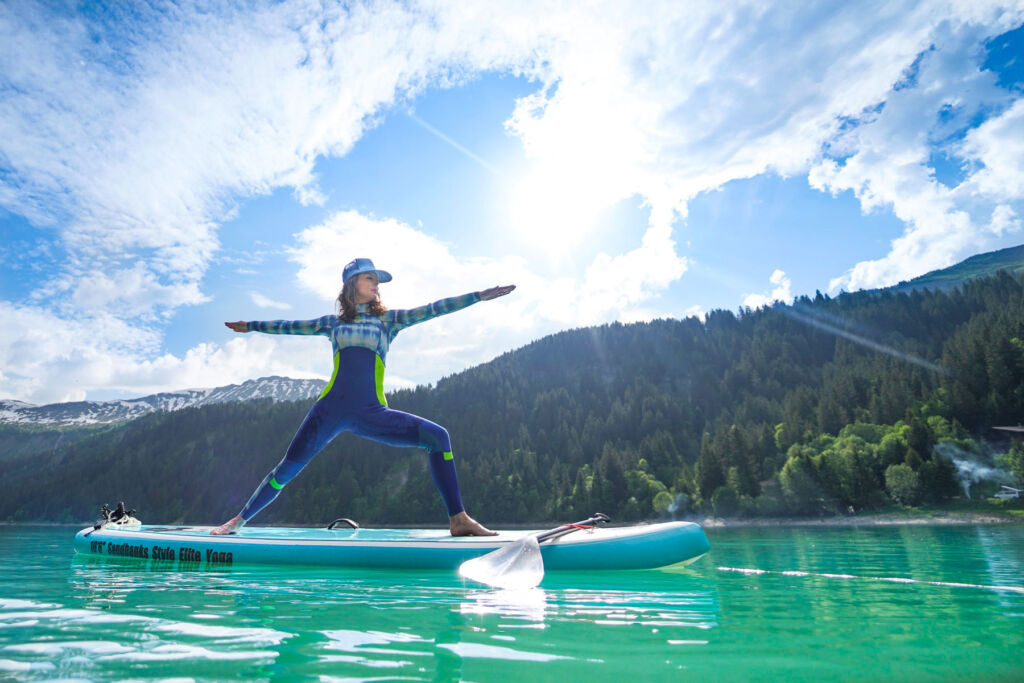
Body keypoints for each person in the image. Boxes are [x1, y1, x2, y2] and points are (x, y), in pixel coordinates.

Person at [211, 258, 515, 536]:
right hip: (328, 411)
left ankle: (458, 519)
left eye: (377, 280)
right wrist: (251, 326)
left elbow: (435, 308)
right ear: (351, 283)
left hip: (371, 413)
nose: (376, 284)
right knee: (285, 471)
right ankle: (238, 520)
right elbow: (288, 326)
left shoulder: (390, 321)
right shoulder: (332, 324)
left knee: (438, 437)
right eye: (370, 278)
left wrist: (478, 296)